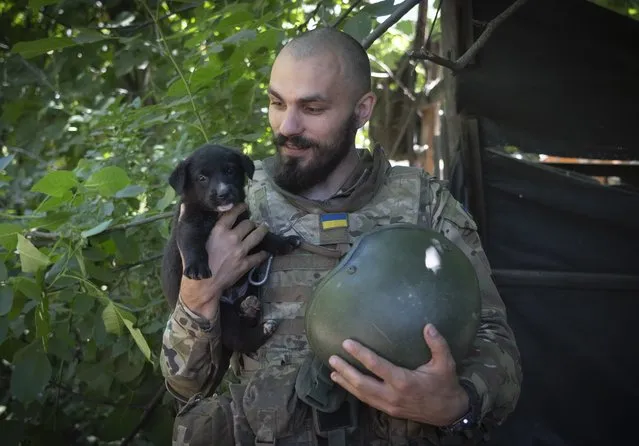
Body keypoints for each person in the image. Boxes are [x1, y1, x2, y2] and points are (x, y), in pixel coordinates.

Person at [160, 27, 522, 446]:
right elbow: (186, 386)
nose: (287, 126)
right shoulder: (228, 202)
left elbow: (496, 343)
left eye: (312, 108)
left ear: (362, 109)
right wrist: (198, 296)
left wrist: (456, 402)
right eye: (277, 103)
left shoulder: (424, 204)